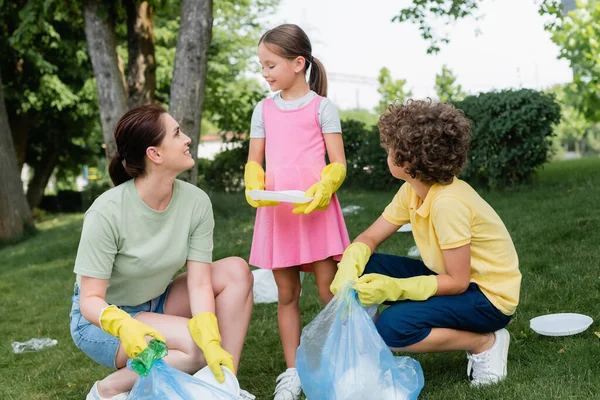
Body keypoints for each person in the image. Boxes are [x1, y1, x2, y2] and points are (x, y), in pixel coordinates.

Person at [330, 100, 522, 387]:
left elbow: (458, 282)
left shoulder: (448, 203)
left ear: (407, 162)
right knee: (365, 265)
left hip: (487, 299)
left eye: (390, 148)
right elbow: (370, 237)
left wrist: (396, 288)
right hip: (455, 281)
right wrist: (350, 261)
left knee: (393, 328)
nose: (387, 153)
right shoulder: (412, 190)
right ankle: (365, 352)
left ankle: (485, 342)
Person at [69, 105, 255, 400]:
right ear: (155, 154)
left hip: (158, 300)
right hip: (103, 320)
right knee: (194, 348)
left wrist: (209, 329)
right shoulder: (106, 212)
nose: (187, 139)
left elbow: (198, 282)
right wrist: (123, 325)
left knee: (236, 270)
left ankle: (223, 383)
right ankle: (109, 389)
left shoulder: (196, 202)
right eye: (177, 133)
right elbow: (90, 300)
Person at [244, 24, 350, 400]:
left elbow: (338, 162)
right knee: (286, 293)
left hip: (315, 211)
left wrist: (327, 185)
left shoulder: (323, 107)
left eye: (271, 64)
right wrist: (253, 178)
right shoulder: (264, 109)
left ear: (298, 63)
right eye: (262, 65)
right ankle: (293, 371)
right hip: (279, 213)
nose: (265, 72)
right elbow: (255, 160)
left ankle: (345, 360)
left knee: (330, 290)